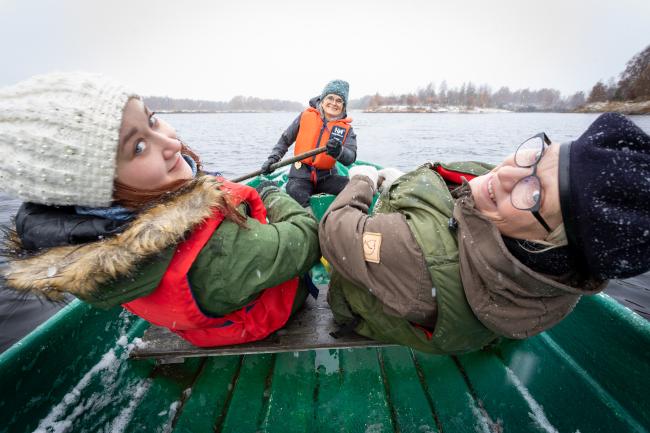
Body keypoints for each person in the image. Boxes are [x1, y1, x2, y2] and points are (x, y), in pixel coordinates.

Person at [0, 72, 320, 348]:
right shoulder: (216, 252)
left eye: (151, 119)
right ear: (99, 194)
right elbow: (305, 239)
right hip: (266, 316)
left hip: (203, 323)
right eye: (138, 147)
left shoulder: (89, 240)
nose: (173, 145)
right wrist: (271, 194)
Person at [319, 113, 650, 354]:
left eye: (534, 194)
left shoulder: (421, 251)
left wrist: (360, 181)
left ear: (547, 246)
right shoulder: (566, 276)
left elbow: (334, 232)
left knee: (342, 269)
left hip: (377, 308)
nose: (507, 173)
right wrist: (401, 180)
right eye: (537, 155)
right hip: (465, 324)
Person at [261, 79, 357, 207]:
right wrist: (273, 159)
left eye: (339, 100)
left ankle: (338, 215)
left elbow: (351, 157)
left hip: (327, 177)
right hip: (300, 176)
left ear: (343, 106)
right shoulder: (305, 116)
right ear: (322, 100)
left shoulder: (346, 129)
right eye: (330, 98)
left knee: (355, 188)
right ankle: (308, 219)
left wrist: (339, 151)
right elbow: (285, 140)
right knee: (296, 192)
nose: (334, 103)